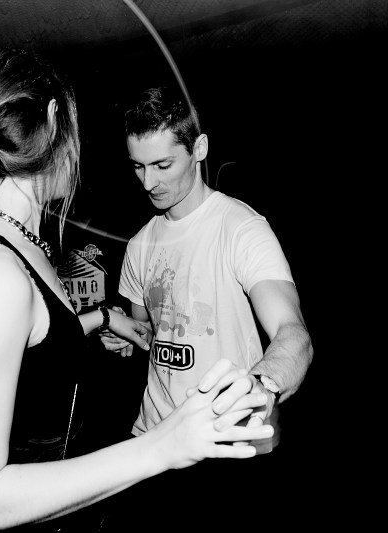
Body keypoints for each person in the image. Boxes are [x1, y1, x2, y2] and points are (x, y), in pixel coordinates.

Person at [0, 49, 276, 533]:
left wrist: (102, 319)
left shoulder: (18, 245)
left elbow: (32, 347)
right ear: (53, 120)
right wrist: (163, 445)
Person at [99, 86, 314, 528]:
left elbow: (294, 335)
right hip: (154, 440)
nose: (148, 182)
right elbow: (149, 333)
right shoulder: (139, 244)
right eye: (138, 166)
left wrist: (262, 386)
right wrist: (120, 334)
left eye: (163, 165)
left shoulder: (241, 229)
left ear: (199, 148)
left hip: (226, 446)